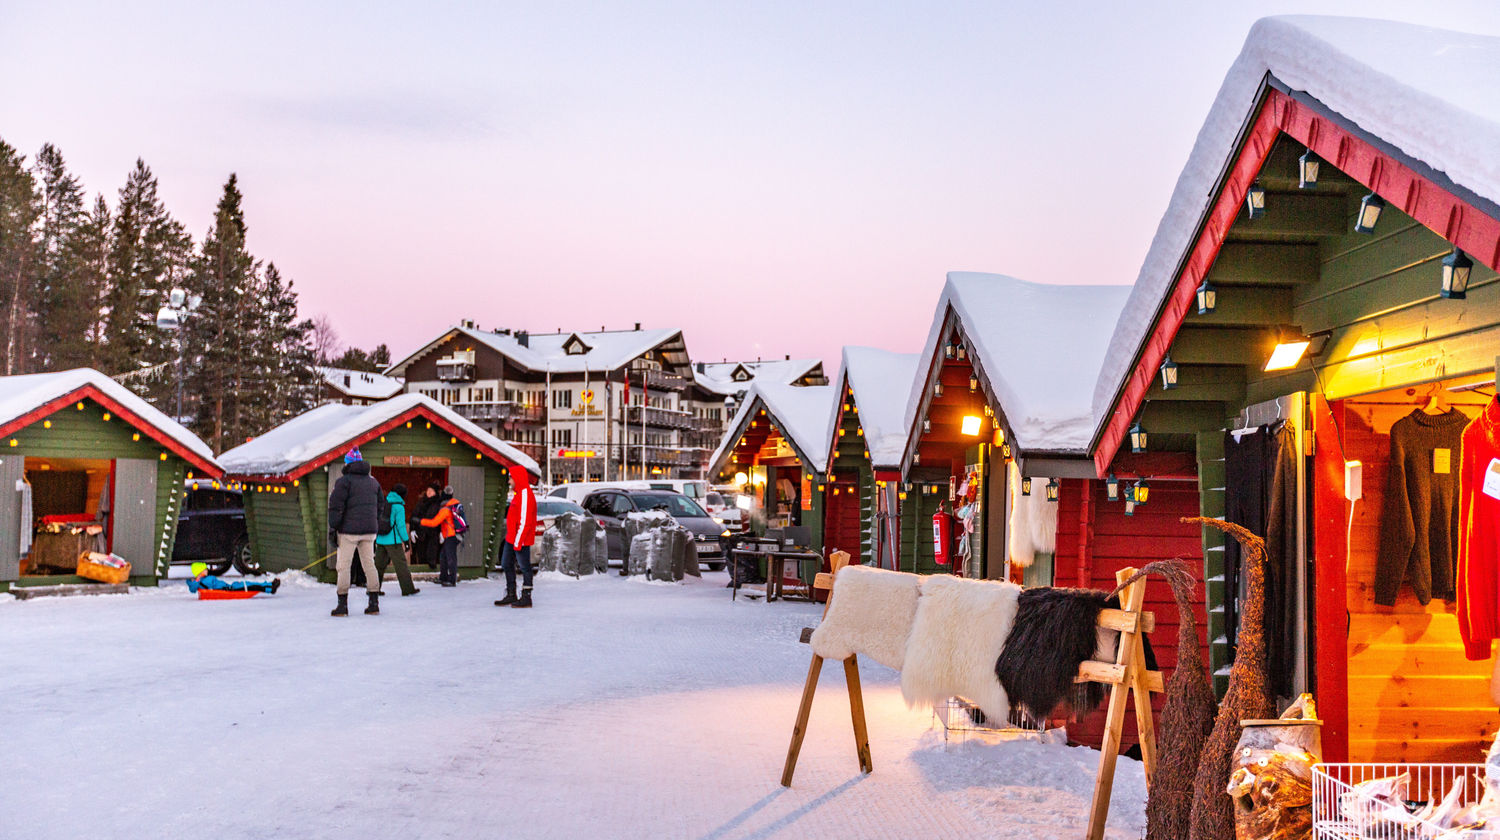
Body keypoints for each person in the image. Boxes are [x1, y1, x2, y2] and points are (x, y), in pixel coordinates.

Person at [328, 448, 382, 616]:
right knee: (369, 565)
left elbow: (336, 506)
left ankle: (342, 605)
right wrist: (373, 521)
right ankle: (374, 602)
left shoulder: (344, 482)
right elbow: (380, 505)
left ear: (348, 463)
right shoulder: (373, 482)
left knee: (344, 566)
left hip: (349, 531)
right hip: (369, 531)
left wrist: (334, 527)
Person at [496, 465, 538, 608]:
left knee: (524, 567)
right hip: (511, 538)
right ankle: (511, 593)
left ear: (517, 478)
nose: (509, 481)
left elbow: (525, 521)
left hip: (520, 540)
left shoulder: (526, 495)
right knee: (506, 564)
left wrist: (518, 541)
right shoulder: (518, 495)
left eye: (511, 478)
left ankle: (526, 596)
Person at [376, 483, 420, 596]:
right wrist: (406, 541)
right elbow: (400, 526)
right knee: (401, 566)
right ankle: (408, 589)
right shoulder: (398, 506)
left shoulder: (384, 502)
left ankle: (373, 589)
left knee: (378, 566)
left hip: (380, 539)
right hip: (393, 541)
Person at [420, 485, 464, 587]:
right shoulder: (455, 505)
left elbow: (434, 522)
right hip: (454, 535)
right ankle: (443, 577)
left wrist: (421, 521)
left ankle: (451, 580)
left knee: (450, 557)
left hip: (451, 536)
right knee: (443, 556)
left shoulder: (446, 509)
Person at [187, 561, 281, 594]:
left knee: (249, 584)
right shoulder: (203, 582)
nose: (207, 570)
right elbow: (194, 588)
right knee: (251, 586)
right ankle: (270, 588)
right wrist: (196, 581)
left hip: (230, 586)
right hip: (230, 589)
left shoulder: (203, 581)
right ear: (200, 572)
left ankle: (269, 585)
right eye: (204, 569)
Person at [412, 482, 444, 570]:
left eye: (431, 491)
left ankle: (433, 571)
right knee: (421, 554)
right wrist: (412, 530)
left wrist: (442, 532)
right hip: (421, 533)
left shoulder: (439, 504)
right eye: (428, 490)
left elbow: (442, 519)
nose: (429, 492)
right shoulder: (421, 502)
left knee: (432, 555)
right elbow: (414, 516)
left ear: (435, 492)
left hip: (433, 534)